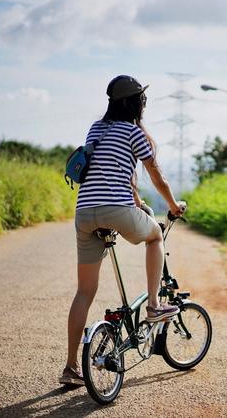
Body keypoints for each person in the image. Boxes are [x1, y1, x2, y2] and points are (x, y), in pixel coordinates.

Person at [59, 75, 185, 386]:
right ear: (135, 103)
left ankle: (71, 366)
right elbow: (158, 178)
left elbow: (116, 171)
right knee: (155, 234)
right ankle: (155, 305)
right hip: (115, 209)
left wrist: (138, 201)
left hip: (84, 212)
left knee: (84, 291)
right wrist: (173, 205)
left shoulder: (95, 129)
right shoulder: (134, 133)